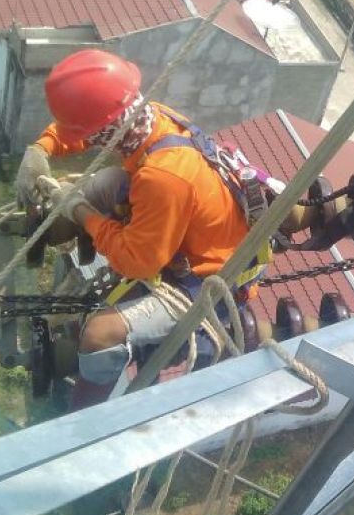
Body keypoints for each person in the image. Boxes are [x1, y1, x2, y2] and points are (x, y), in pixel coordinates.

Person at [14, 49, 250, 398]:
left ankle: (89, 402)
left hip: (205, 279)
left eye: (93, 133)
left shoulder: (163, 177)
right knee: (108, 180)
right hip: (189, 231)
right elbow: (90, 129)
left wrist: (81, 213)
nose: (88, 141)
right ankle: (64, 229)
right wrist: (41, 148)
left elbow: (136, 262)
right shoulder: (150, 119)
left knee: (99, 334)